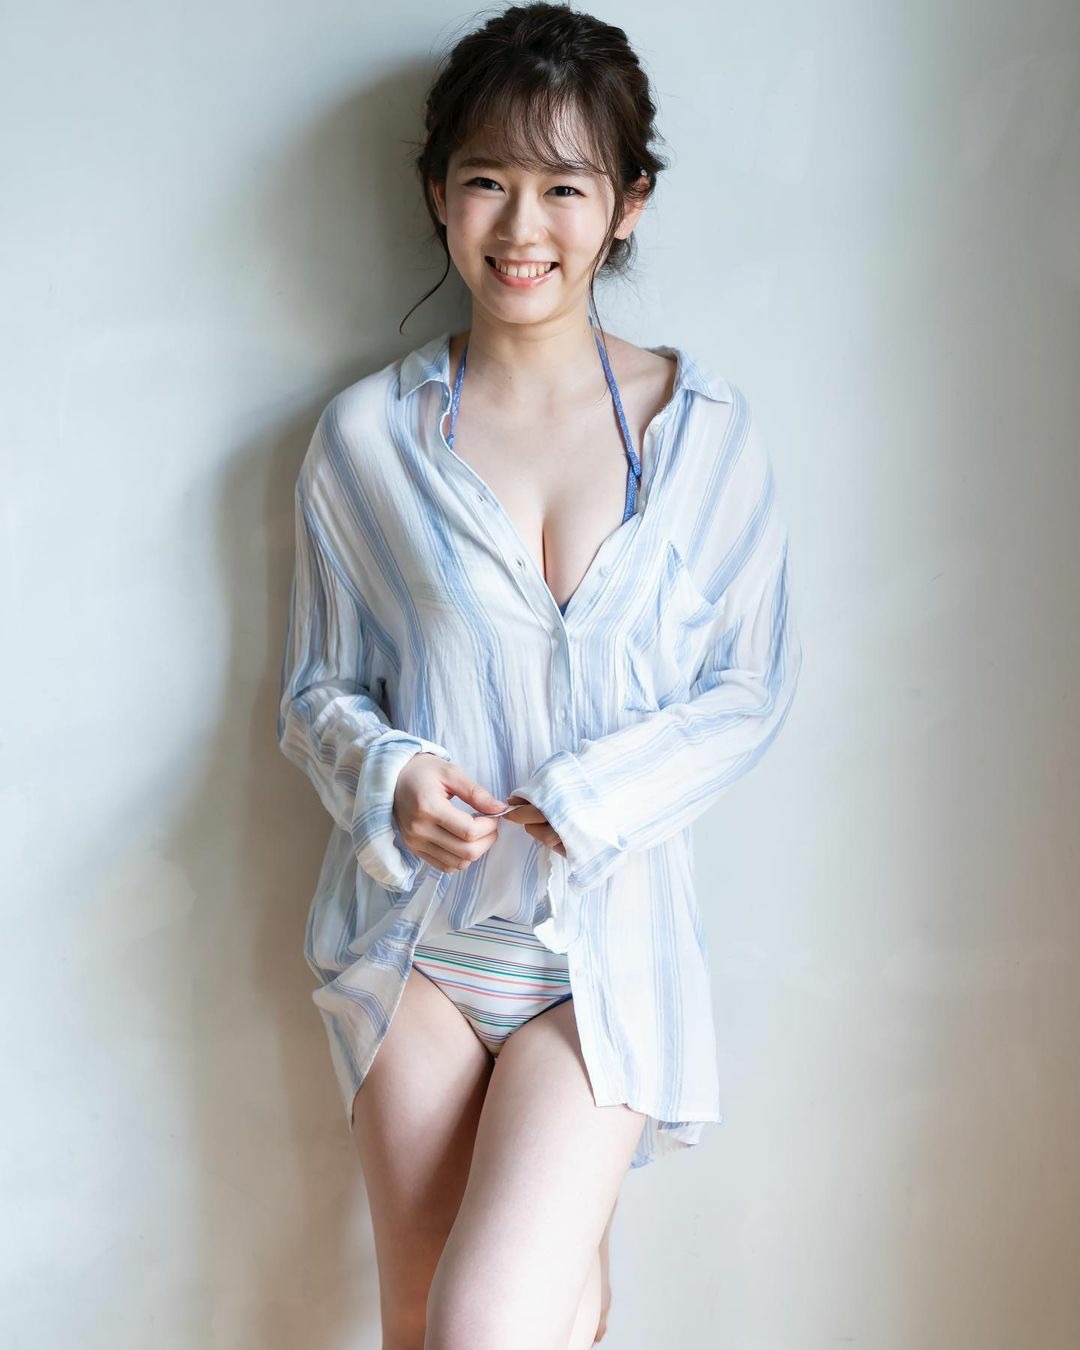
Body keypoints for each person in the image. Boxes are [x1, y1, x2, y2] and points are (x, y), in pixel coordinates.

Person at [276, 3, 803, 1347]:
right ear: (437, 195)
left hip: (605, 957)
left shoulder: (707, 437)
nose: (523, 226)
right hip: (415, 947)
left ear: (627, 205)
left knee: (486, 1323)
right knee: (421, 1317)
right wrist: (392, 776)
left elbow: (748, 685)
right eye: (488, 180)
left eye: (566, 185)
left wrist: (593, 796)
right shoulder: (366, 440)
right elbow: (317, 688)